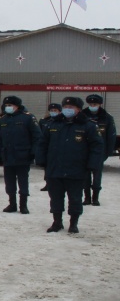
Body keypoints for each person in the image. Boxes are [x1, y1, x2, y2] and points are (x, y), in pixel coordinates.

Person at [36, 97, 103, 233]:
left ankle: (73, 223)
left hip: (77, 169)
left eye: (71, 107)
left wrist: (92, 165)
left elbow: (97, 147)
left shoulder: (88, 125)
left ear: (78, 109)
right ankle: (57, 222)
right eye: (66, 107)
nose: (68, 110)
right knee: (55, 197)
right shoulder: (53, 124)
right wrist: (41, 160)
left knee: (75, 198)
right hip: (55, 169)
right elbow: (42, 143)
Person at [0, 95, 41, 214]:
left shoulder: (28, 118)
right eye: (6, 105)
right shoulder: (3, 119)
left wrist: (33, 152)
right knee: (9, 181)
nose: (8, 107)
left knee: (23, 181)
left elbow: (37, 136)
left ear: (17, 106)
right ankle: (12, 203)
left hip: (23, 155)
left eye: (10, 105)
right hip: (7, 155)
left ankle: (23, 205)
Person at [81, 94, 116, 206]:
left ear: (100, 104)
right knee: (85, 176)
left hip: (99, 151)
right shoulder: (82, 116)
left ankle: (95, 197)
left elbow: (111, 136)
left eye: (95, 104)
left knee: (97, 176)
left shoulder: (106, 117)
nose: (92, 106)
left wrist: (108, 152)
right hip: (84, 151)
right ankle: (87, 197)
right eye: (90, 104)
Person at [38, 103, 61, 192]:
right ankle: (48, 183)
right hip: (48, 148)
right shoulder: (44, 121)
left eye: (55, 110)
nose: (53, 112)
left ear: (59, 111)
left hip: (58, 147)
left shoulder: (61, 121)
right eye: (51, 110)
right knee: (47, 168)